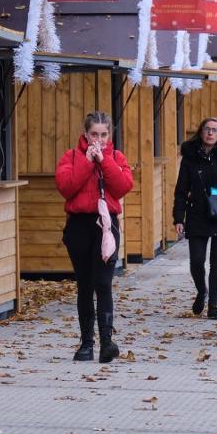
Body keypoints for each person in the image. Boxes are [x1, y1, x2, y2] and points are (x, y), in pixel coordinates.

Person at [55, 111, 134, 363]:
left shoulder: (116, 157)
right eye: (93, 135)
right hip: (80, 225)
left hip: (106, 227)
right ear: (85, 134)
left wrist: (103, 161)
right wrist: (88, 162)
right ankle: (86, 342)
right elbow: (66, 187)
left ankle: (107, 343)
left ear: (109, 135)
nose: (98, 139)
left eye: (103, 134)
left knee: (103, 283)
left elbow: (123, 186)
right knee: (85, 284)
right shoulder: (72, 156)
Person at [173, 117, 217, 320]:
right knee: (196, 261)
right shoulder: (190, 157)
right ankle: (201, 291)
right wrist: (179, 218)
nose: (211, 133)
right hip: (197, 214)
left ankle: (213, 305)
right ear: (201, 132)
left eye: (215, 130)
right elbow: (181, 191)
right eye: (207, 129)